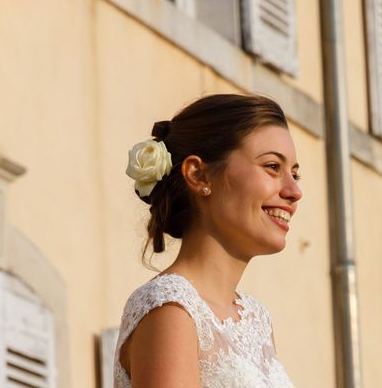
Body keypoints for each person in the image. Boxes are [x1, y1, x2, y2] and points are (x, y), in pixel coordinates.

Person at [113, 93, 303, 388]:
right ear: (199, 175)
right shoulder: (172, 310)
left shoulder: (256, 320)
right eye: (272, 167)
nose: (294, 191)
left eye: (294, 173)